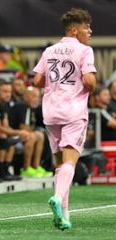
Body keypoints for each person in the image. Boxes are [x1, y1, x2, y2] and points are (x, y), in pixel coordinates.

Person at [33, 8, 96, 230]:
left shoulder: (49, 50)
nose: (90, 30)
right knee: (70, 161)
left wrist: (55, 84)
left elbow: (38, 79)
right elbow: (89, 81)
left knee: (60, 165)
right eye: (86, 26)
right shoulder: (84, 51)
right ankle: (58, 199)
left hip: (50, 112)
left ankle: (64, 216)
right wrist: (87, 84)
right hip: (73, 111)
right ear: (74, 30)